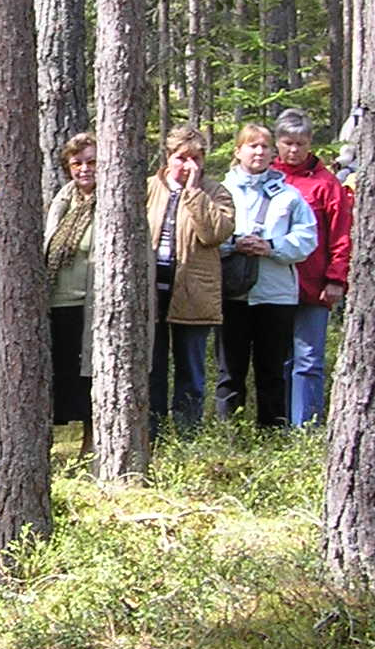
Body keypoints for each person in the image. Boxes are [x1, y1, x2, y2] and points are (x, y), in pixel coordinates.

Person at [215, 123, 319, 428]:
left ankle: (272, 432)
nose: (258, 152)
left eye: (264, 146)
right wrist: (234, 244)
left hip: (276, 294)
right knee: (229, 370)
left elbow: (307, 239)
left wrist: (271, 246)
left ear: (273, 153)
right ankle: (228, 434)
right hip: (232, 294)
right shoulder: (222, 192)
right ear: (238, 151)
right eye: (252, 146)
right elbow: (204, 237)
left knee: (272, 369)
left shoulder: (289, 196)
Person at [144, 125, 235, 435]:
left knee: (191, 373)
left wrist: (193, 192)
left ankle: (187, 435)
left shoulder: (216, 192)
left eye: (195, 158)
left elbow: (214, 233)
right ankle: (151, 435)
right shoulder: (147, 188)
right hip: (151, 293)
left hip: (194, 293)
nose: (188, 165)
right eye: (182, 158)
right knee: (152, 370)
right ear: (168, 157)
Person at [270, 109, 352, 428]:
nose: (294, 150)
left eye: (301, 143)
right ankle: (278, 421)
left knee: (308, 359)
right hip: (273, 284)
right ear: (277, 142)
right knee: (279, 358)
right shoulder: (268, 177)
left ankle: (306, 424)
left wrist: (336, 278)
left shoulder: (326, 184)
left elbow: (342, 235)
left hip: (314, 285)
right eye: (288, 142)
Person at [42, 132, 98, 453]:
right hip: (58, 305)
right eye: (77, 163)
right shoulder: (61, 202)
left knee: (90, 379)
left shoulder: (111, 203)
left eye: (92, 162)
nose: (84, 169)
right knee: (62, 378)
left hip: (90, 306)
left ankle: (90, 445)